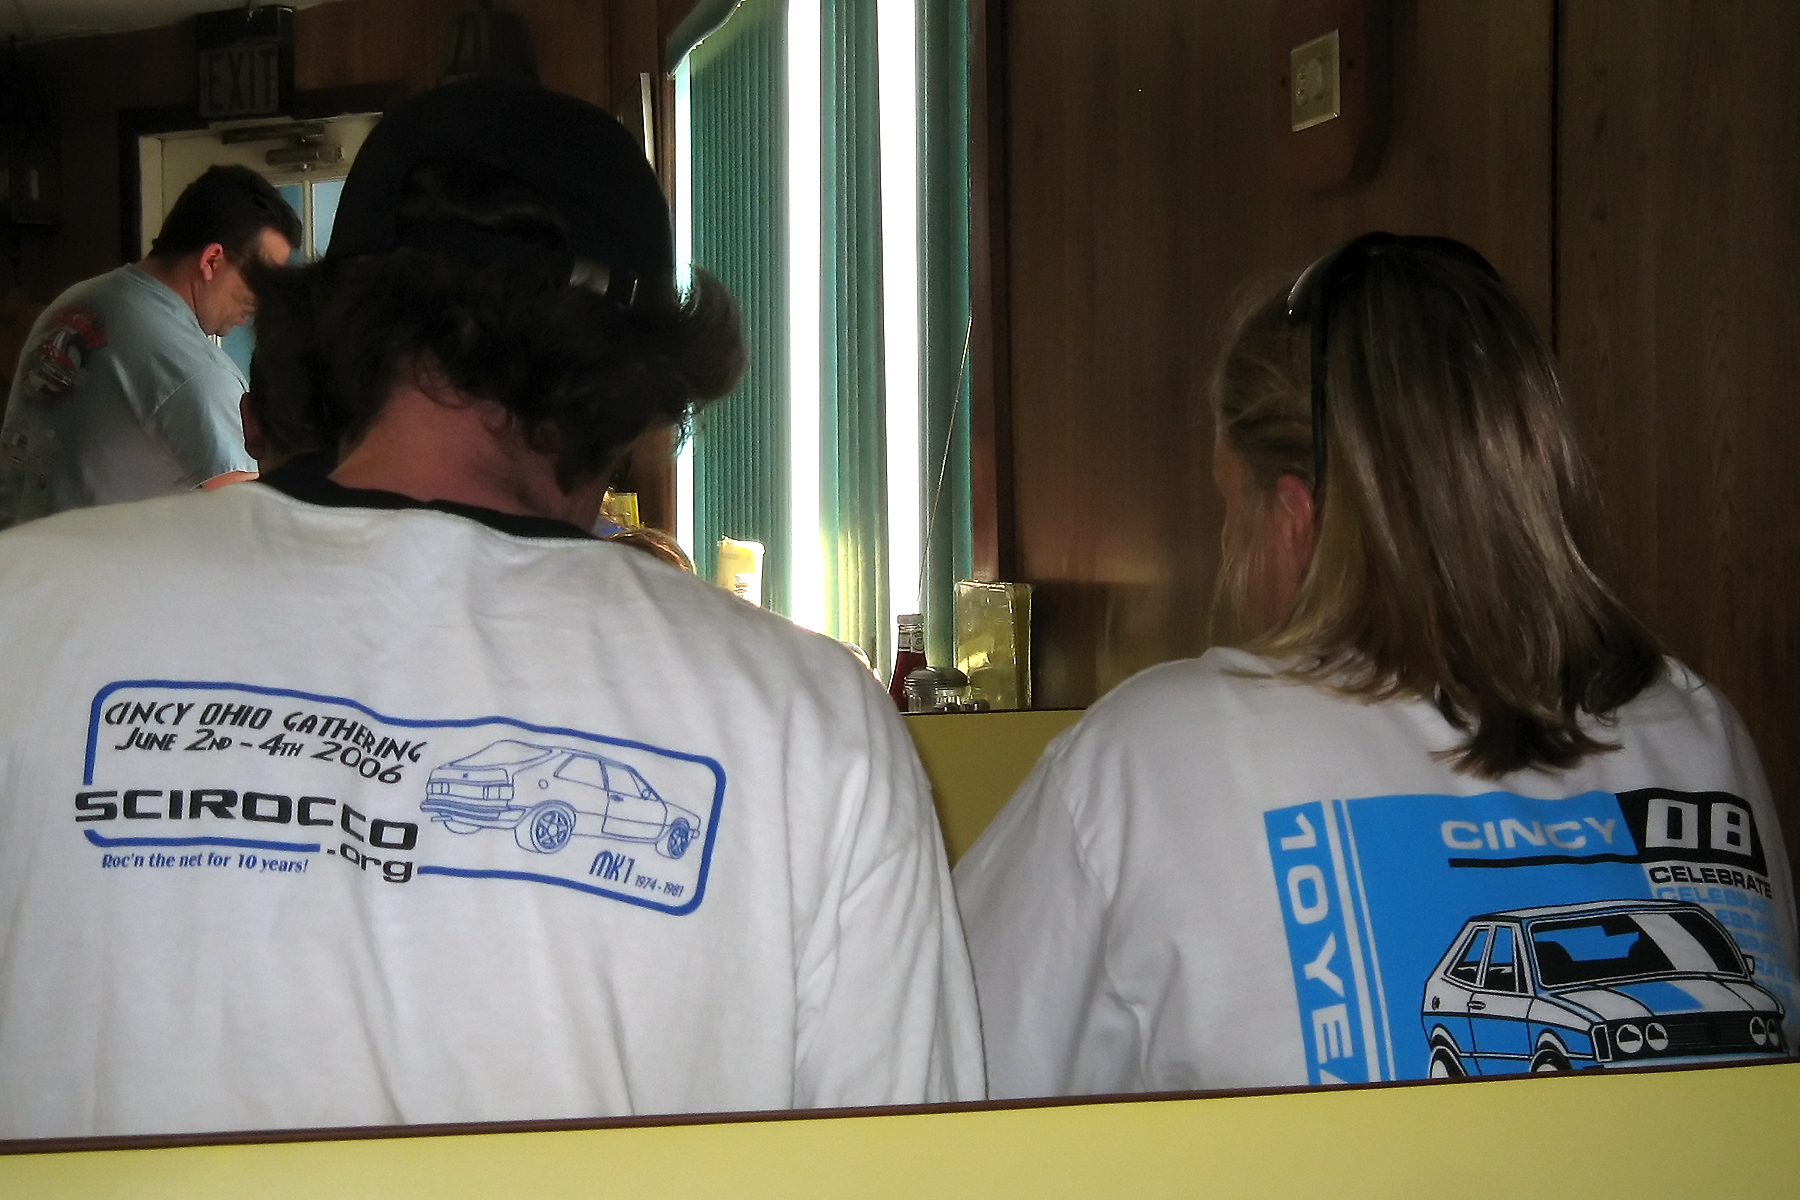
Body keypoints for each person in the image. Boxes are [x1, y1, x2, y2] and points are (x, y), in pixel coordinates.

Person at [0, 78, 982, 1138]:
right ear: (642, 384)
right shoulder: (806, 725)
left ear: (330, 328)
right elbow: (913, 1158)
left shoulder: (29, 611)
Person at [954, 233, 1797, 1097]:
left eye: (1229, 503)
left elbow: (938, 1073)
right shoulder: (1699, 730)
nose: (1228, 545)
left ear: (1294, 518)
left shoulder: (1154, 757)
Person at [0, 165, 300, 527]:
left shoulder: (77, 303)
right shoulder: (195, 371)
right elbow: (252, 522)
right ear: (212, 261)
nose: (262, 300)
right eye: (261, 280)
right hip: (99, 562)